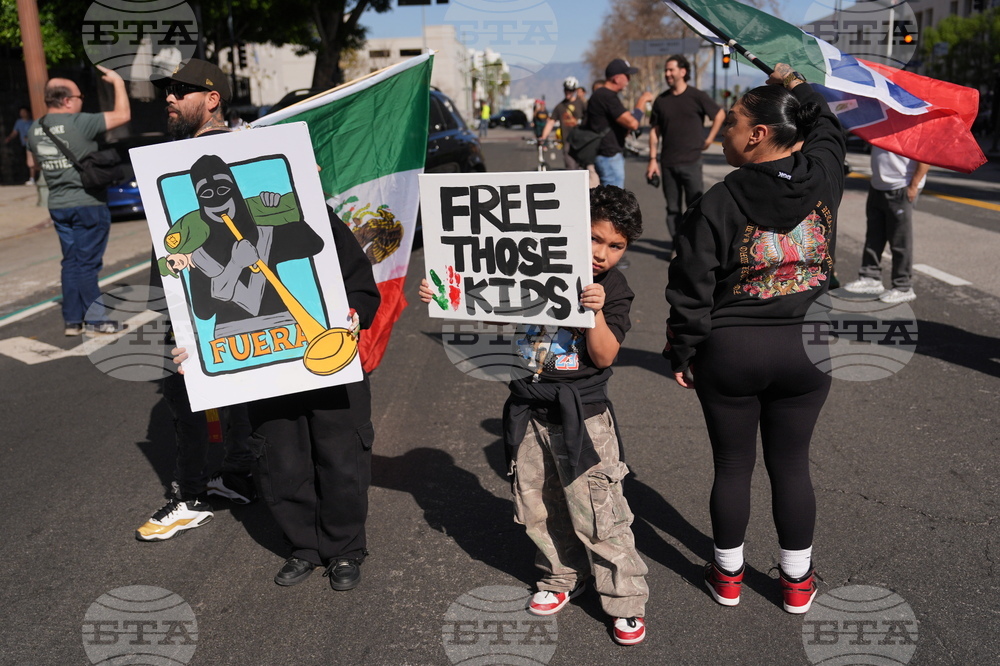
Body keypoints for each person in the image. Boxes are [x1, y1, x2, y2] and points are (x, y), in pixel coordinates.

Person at [420, 185, 649, 646]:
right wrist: (445, 294)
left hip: (582, 415)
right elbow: (491, 312)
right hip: (529, 408)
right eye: (594, 239)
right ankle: (562, 576)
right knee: (537, 503)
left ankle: (625, 599)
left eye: (616, 246)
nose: (602, 253)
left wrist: (596, 313)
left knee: (599, 511)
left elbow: (604, 357)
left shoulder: (614, 289)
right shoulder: (533, 267)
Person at [663, 63, 845, 615]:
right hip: (807, 350)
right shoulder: (823, 176)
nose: (723, 130)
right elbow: (830, 127)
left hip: (732, 351)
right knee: (792, 464)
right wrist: (795, 85)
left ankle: (728, 578)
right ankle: (796, 583)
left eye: (734, 121)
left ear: (759, 134)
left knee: (733, 465)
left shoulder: (717, 202)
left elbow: (689, 288)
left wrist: (684, 350)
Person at [135, 59, 257, 542]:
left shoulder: (196, 158)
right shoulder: (221, 151)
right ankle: (239, 473)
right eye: (167, 89)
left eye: (181, 90)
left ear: (212, 100)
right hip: (214, 292)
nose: (168, 97)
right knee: (240, 386)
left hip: (202, 298)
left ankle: (189, 495)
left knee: (183, 392)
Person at [26, 67, 130, 336]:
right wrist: (118, 82)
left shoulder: (34, 129)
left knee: (70, 262)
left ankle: (72, 321)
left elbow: (33, 164)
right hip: (88, 203)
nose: (82, 100)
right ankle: (97, 320)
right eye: (80, 96)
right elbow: (123, 115)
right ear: (68, 100)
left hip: (58, 204)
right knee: (87, 264)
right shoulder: (80, 122)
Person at [646, 55, 725, 241]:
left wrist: (709, 139)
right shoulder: (661, 101)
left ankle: (694, 244)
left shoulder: (697, 96)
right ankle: (678, 245)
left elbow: (720, 114)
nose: (667, 74)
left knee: (695, 206)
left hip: (692, 162)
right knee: (672, 209)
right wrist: (652, 161)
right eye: (665, 70)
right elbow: (654, 132)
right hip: (668, 163)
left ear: (683, 72)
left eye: (671, 70)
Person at [842, 148, 929, 304]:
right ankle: (870, 276)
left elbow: (926, 155)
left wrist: (914, 185)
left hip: (901, 185)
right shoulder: (883, 122)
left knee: (900, 241)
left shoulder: (913, 125)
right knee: (874, 235)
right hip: (878, 185)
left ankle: (903, 286)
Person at [583, 59, 653, 188]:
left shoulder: (604, 95)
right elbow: (632, 123)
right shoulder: (606, 96)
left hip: (607, 154)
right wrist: (642, 101)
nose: (629, 80)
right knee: (614, 198)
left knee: (611, 196)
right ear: (616, 78)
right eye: (626, 76)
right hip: (608, 155)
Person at [539, 77, 586, 170]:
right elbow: (551, 122)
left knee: (584, 170)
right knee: (571, 168)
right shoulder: (559, 107)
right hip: (567, 142)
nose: (568, 92)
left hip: (582, 142)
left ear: (575, 91)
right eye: (566, 90)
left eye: (571, 90)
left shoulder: (582, 104)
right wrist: (543, 137)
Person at [5, 106, 38, 185]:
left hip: (32, 144)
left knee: (33, 161)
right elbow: (15, 132)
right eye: (21, 112)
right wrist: (9, 138)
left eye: (24, 112)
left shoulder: (33, 121)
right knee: (28, 162)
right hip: (24, 145)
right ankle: (31, 178)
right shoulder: (19, 122)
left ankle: (33, 178)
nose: (22, 114)